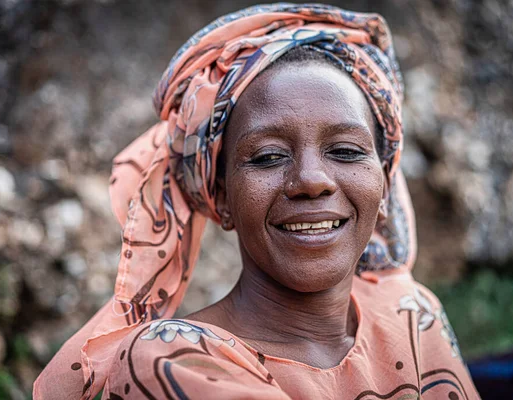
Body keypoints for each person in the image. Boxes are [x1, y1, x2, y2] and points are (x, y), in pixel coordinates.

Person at [33, 4, 481, 399]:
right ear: (222, 196)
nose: (311, 180)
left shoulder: (411, 316)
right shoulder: (171, 360)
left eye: (345, 151)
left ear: (384, 185)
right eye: (268, 157)